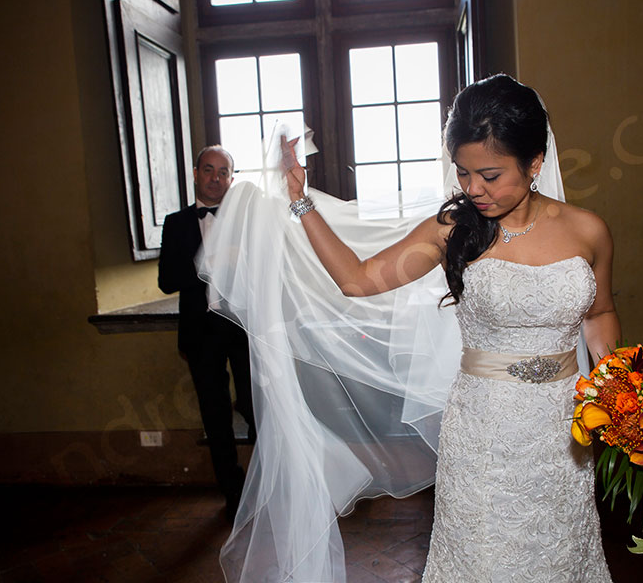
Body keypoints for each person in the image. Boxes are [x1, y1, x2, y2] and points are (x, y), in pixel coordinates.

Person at [280, 74, 619, 581]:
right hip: (484, 428)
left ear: (535, 163)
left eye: (489, 174)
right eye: (462, 172)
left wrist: (622, 389)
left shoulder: (588, 230)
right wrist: (300, 201)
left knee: (560, 553)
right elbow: (356, 280)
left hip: (564, 430)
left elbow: (599, 313)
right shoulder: (453, 231)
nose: (472, 189)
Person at [158, 145, 255, 514]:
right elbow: (167, 282)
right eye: (209, 170)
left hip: (245, 331)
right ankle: (232, 493)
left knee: (256, 409)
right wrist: (208, 263)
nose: (216, 179)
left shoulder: (248, 222)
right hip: (200, 335)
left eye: (223, 172)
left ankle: (266, 488)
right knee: (215, 416)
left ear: (232, 177)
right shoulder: (175, 223)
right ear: (196, 173)